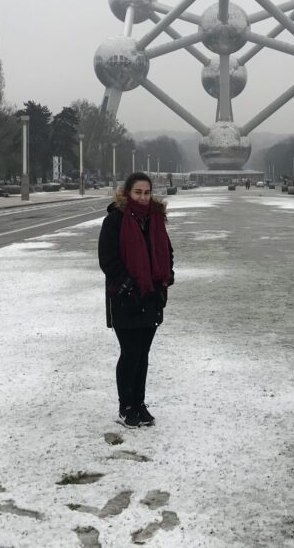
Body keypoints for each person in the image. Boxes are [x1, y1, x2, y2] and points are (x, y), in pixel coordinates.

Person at [98, 172, 174, 428]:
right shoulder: (115, 220)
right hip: (126, 299)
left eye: (147, 192)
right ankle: (126, 406)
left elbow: (167, 251)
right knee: (130, 353)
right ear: (127, 193)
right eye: (138, 192)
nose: (143, 197)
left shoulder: (156, 219)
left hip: (152, 297)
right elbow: (108, 259)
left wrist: (167, 278)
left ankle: (139, 404)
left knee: (143, 355)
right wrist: (127, 286)